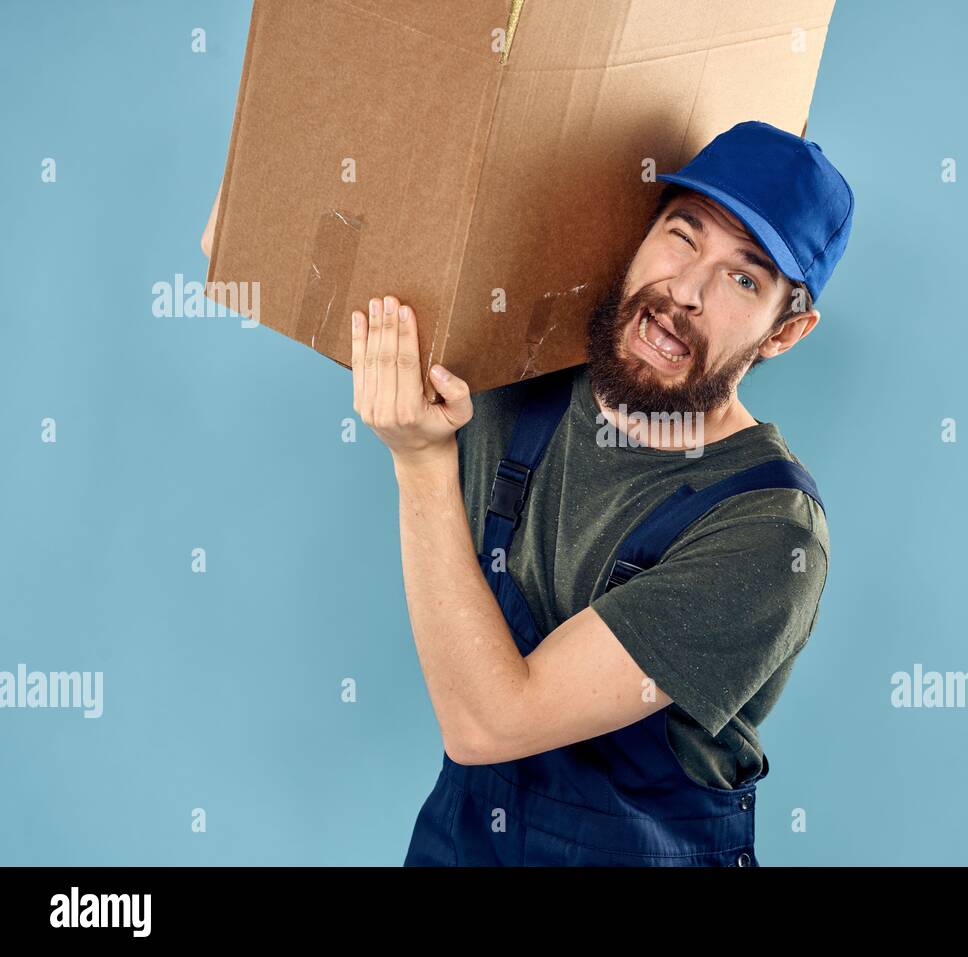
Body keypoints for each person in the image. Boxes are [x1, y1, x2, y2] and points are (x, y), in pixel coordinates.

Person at [213, 120, 854, 866]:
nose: (686, 290)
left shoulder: (769, 527)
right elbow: (231, 240)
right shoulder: (512, 368)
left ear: (786, 331)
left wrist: (421, 463)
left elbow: (490, 722)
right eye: (682, 235)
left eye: (743, 279)